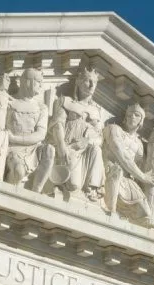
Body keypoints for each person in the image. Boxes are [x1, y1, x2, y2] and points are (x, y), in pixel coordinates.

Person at [0, 68, 55, 192]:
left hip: (33, 148)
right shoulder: (10, 103)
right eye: (38, 82)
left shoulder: (41, 107)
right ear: (27, 82)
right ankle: (8, 193)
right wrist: (1, 93)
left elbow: (41, 134)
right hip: (13, 148)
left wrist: (15, 138)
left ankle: (36, 190)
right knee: (19, 171)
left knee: (50, 150)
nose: (41, 86)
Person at [49, 66, 106, 200]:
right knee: (73, 184)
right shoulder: (65, 102)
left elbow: (99, 138)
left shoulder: (96, 111)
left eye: (95, 82)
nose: (92, 85)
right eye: (88, 81)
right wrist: (62, 147)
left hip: (86, 149)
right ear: (79, 82)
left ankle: (92, 189)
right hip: (69, 147)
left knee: (97, 150)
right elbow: (57, 125)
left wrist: (88, 141)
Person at [102, 103, 154, 225]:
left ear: (141, 121)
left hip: (127, 179)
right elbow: (121, 153)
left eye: (136, 115)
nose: (132, 117)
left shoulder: (139, 145)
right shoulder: (114, 129)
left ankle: (122, 218)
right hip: (109, 169)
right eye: (129, 114)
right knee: (117, 171)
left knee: (145, 213)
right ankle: (110, 212)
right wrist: (143, 177)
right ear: (125, 117)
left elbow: (140, 165)